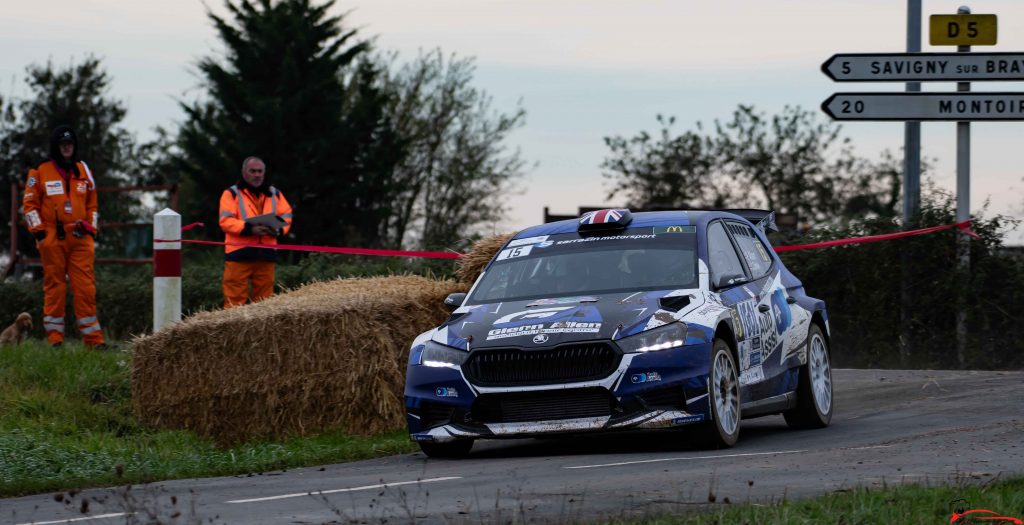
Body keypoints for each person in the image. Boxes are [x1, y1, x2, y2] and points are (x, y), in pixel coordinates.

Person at [21, 125, 106, 348]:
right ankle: (55, 340)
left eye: (70, 144)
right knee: (55, 287)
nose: (67, 148)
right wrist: (39, 232)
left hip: (81, 238)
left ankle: (94, 341)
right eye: (63, 144)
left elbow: (93, 204)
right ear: (56, 147)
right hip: (52, 238)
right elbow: (29, 206)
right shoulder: (40, 172)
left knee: (86, 288)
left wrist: (91, 230)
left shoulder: (84, 171)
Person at [218, 156, 293, 308]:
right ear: (244, 172)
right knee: (234, 302)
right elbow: (225, 221)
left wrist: (277, 230)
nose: (257, 175)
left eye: (260, 171)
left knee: (264, 304)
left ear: (264, 173)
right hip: (239, 253)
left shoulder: (275, 193)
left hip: (266, 253)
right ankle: (233, 331)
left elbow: (287, 215)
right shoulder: (231, 194)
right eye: (253, 171)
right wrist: (250, 229)